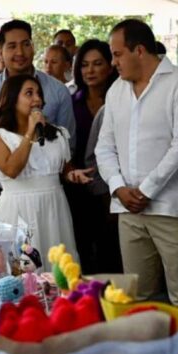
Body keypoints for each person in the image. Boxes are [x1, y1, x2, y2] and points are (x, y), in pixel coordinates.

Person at [95, 19, 178, 326]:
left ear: (139, 50)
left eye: (117, 54)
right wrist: (119, 187)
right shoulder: (117, 90)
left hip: (173, 209)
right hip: (128, 208)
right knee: (136, 294)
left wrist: (146, 190)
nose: (112, 62)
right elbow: (104, 147)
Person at [0, 19, 76, 222]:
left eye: (26, 44)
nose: (20, 52)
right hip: (5, 191)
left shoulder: (58, 91)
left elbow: (68, 146)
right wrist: (11, 183)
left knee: (56, 252)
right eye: (12, 46)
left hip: (50, 195)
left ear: (33, 46)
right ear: (0, 51)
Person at [0, 75, 91, 266]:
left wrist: (72, 175)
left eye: (39, 94)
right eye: (29, 93)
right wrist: (30, 133)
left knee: (58, 265)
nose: (37, 99)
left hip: (53, 207)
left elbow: (64, 168)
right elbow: (12, 169)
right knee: (24, 268)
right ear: (11, 99)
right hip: (18, 208)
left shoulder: (56, 133)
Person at [67, 39, 120, 274]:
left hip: (115, 186)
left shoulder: (120, 99)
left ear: (110, 66)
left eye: (97, 63)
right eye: (85, 65)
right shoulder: (72, 103)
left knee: (112, 250)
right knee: (83, 250)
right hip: (79, 186)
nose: (90, 70)